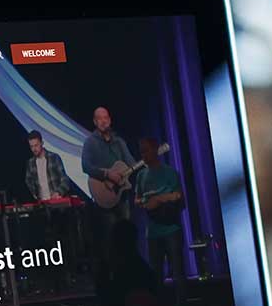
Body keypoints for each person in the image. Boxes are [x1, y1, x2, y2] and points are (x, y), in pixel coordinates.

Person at [80, 107, 136, 286]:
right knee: (110, 239)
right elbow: (86, 166)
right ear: (95, 122)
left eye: (106, 118)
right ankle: (114, 279)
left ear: (110, 120)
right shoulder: (90, 142)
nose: (103, 121)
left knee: (126, 237)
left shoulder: (119, 142)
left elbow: (131, 163)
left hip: (122, 196)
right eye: (99, 118)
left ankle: (130, 276)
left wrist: (140, 165)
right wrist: (106, 175)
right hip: (104, 196)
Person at [133, 137, 186, 293]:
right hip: (153, 232)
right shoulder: (141, 176)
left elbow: (178, 196)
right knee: (156, 275)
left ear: (156, 149)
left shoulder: (170, 173)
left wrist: (159, 199)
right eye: (142, 151)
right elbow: (137, 199)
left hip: (171, 230)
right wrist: (145, 201)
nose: (144, 155)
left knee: (177, 272)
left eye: (147, 150)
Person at [21, 130, 74, 202]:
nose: (34, 149)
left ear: (42, 143)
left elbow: (65, 180)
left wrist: (58, 192)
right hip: (41, 204)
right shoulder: (30, 163)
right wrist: (34, 194)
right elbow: (28, 182)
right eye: (31, 146)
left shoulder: (54, 157)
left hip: (56, 202)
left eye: (36, 145)